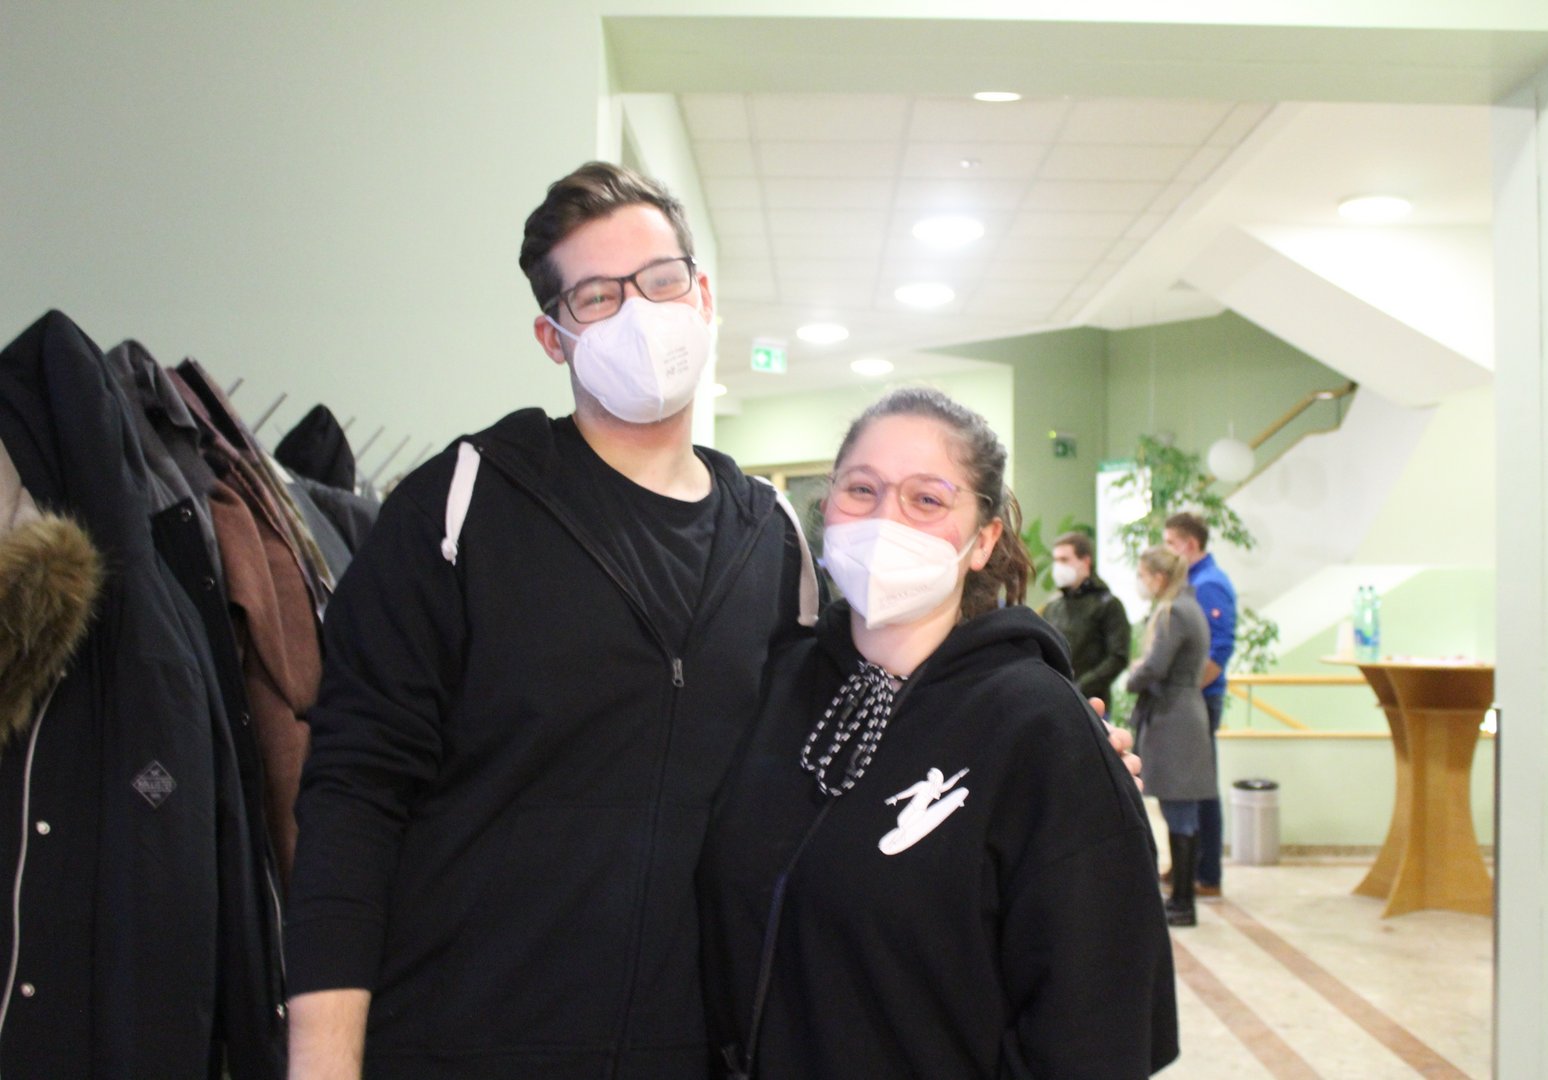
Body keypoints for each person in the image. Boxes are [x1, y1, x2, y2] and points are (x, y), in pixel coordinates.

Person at [282, 162, 820, 1079]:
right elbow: (353, 795)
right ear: (553, 336)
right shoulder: (461, 507)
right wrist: (322, 1064)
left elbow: (818, 794)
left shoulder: (773, 541)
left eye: (661, 280)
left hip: (692, 1054)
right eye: (598, 296)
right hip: (458, 1043)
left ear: (702, 296)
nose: (641, 312)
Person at [700, 389, 1178, 1079]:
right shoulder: (777, 684)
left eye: (926, 499)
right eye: (861, 489)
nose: (884, 519)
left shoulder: (1037, 725)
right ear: (827, 506)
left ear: (982, 540)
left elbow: (1097, 1021)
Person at [1126, 545, 1217, 928]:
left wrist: (1133, 677)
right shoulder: (1188, 606)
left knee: (1179, 813)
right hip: (1181, 714)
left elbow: (1156, 665)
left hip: (1174, 719)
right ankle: (1181, 897)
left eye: (1143, 575)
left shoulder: (1174, 611)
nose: (1141, 583)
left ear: (1159, 578)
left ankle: (1182, 901)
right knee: (1181, 813)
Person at [1163, 511, 1237, 898]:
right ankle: (1186, 865)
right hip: (1189, 698)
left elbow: (1218, 650)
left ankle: (1207, 873)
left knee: (1201, 786)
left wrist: (1189, 690)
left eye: (1170, 544)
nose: (1165, 551)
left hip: (1201, 699)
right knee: (1186, 787)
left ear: (1190, 545)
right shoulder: (1190, 582)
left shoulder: (1210, 585)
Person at [1041, 530, 1131, 717]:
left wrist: (1082, 685)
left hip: (1093, 704)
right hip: (1054, 700)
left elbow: (1118, 656)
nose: (1058, 566)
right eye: (1056, 560)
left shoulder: (1108, 605)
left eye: (1064, 560)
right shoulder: (1053, 607)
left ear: (1085, 561)